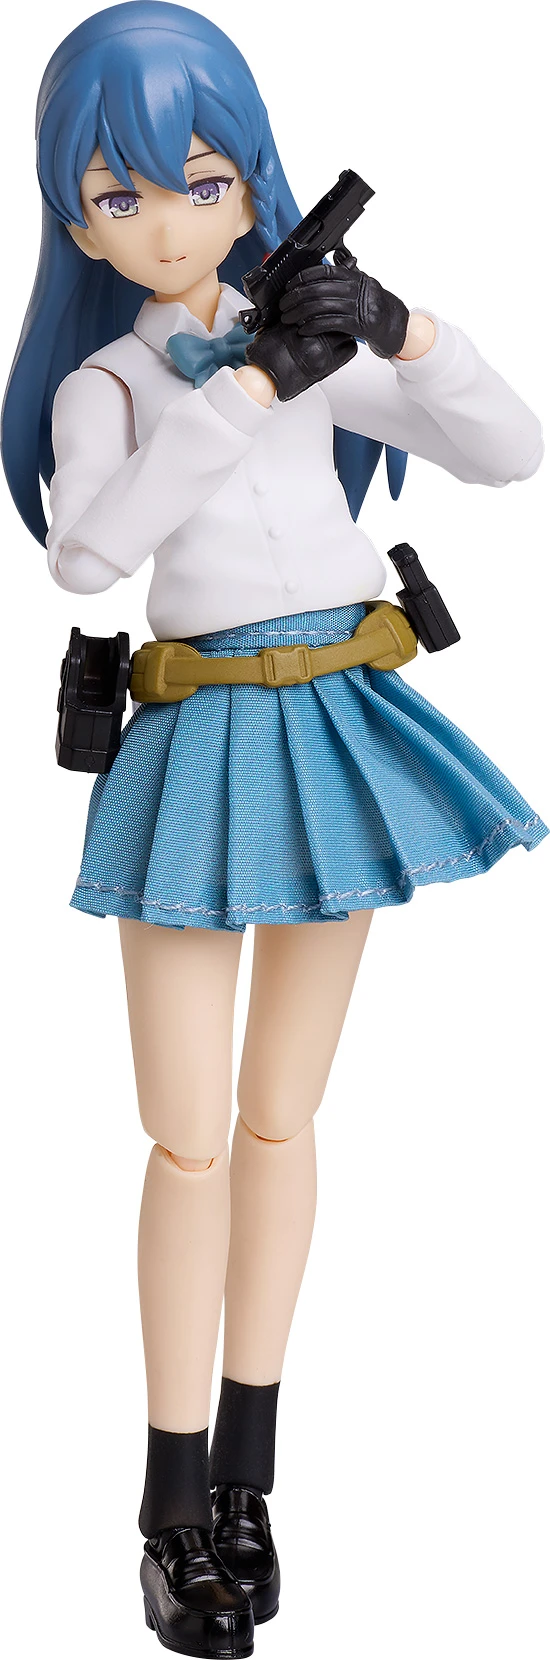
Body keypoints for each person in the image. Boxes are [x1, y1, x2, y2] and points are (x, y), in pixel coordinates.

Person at [2, 4, 546, 1655]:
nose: (167, 225)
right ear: (75, 219)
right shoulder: (109, 381)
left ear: (250, 184)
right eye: (119, 196)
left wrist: (399, 328)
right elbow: (88, 555)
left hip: (327, 729)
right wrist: (240, 390)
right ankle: (170, 1503)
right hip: (193, 738)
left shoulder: (306, 342)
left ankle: (249, 1477)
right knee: (183, 1138)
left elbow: (508, 451)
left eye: (202, 182)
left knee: (283, 1122)